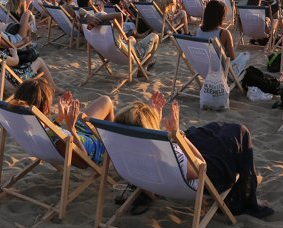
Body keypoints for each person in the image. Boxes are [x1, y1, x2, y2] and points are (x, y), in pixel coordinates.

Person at [115, 91, 273, 218]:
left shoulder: (124, 149)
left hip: (157, 177)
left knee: (209, 130)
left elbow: (146, 139)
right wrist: (179, 137)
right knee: (239, 131)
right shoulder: (164, 154)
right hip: (201, 176)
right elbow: (200, 167)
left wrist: (155, 120)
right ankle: (247, 198)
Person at [10, 78, 113, 165]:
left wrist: (60, 117)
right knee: (107, 102)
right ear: (45, 106)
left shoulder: (25, 125)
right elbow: (83, 157)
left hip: (73, 136)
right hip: (91, 144)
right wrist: (71, 127)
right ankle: (112, 149)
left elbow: (50, 133)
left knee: (104, 101)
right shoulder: (53, 134)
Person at [0, 25, 55, 89]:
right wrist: (14, 53)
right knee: (39, 61)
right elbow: (15, 61)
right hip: (13, 80)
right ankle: (54, 88)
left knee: (27, 63)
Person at [195, 0, 249, 79]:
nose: (225, 17)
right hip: (220, 71)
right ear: (220, 17)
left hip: (203, 68)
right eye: (224, 15)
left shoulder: (197, 31)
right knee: (246, 56)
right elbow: (232, 58)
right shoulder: (224, 33)